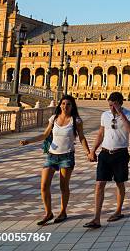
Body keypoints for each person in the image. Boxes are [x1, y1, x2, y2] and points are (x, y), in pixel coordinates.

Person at [20, 95, 90, 225]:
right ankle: (48, 213)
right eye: (63, 103)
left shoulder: (76, 120)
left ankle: (63, 212)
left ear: (72, 106)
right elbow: (45, 134)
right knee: (44, 185)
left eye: (68, 104)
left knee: (63, 186)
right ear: (60, 105)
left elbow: (81, 138)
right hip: (51, 155)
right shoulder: (54, 118)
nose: (65, 106)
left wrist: (88, 152)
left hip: (67, 156)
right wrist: (28, 141)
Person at [83, 92, 130, 229]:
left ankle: (118, 211)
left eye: (114, 105)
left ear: (120, 103)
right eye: (110, 105)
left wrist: (120, 113)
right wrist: (93, 150)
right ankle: (96, 218)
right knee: (99, 183)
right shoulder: (105, 115)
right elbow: (101, 133)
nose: (111, 108)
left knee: (119, 182)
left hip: (121, 154)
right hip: (105, 153)